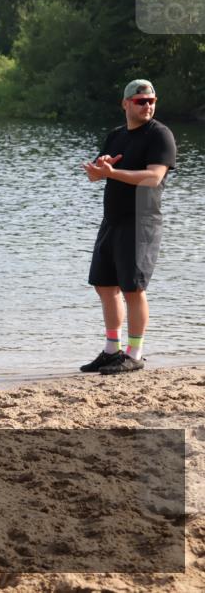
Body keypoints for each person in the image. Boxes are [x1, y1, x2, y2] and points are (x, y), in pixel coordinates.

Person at [81, 79, 177, 375]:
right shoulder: (116, 136)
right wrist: (101, 169)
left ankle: (134, 353)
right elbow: (97, 177)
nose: (147, 105)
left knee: (132, 288)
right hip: (112, 220)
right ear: (126, 104)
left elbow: (153, 178)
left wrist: (114, 172)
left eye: (151, 101)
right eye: (140, 101)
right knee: (104, 285)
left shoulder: (160, 135)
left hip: (141, 222)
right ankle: (112, 350)